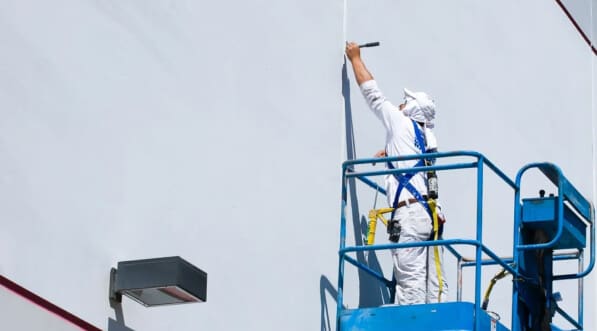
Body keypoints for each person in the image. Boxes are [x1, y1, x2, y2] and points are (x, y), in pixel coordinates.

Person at [345, 41, 448, 305]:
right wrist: (389, 151)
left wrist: (356, 58)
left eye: (405, 102)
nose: (401, 105)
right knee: (432, 283)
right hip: (428, 213)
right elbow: (411, 162)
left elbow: (373, 94)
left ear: (412, 109)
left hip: (410, 214)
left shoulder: (402, 123)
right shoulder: (426, 138)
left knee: (410, 279)